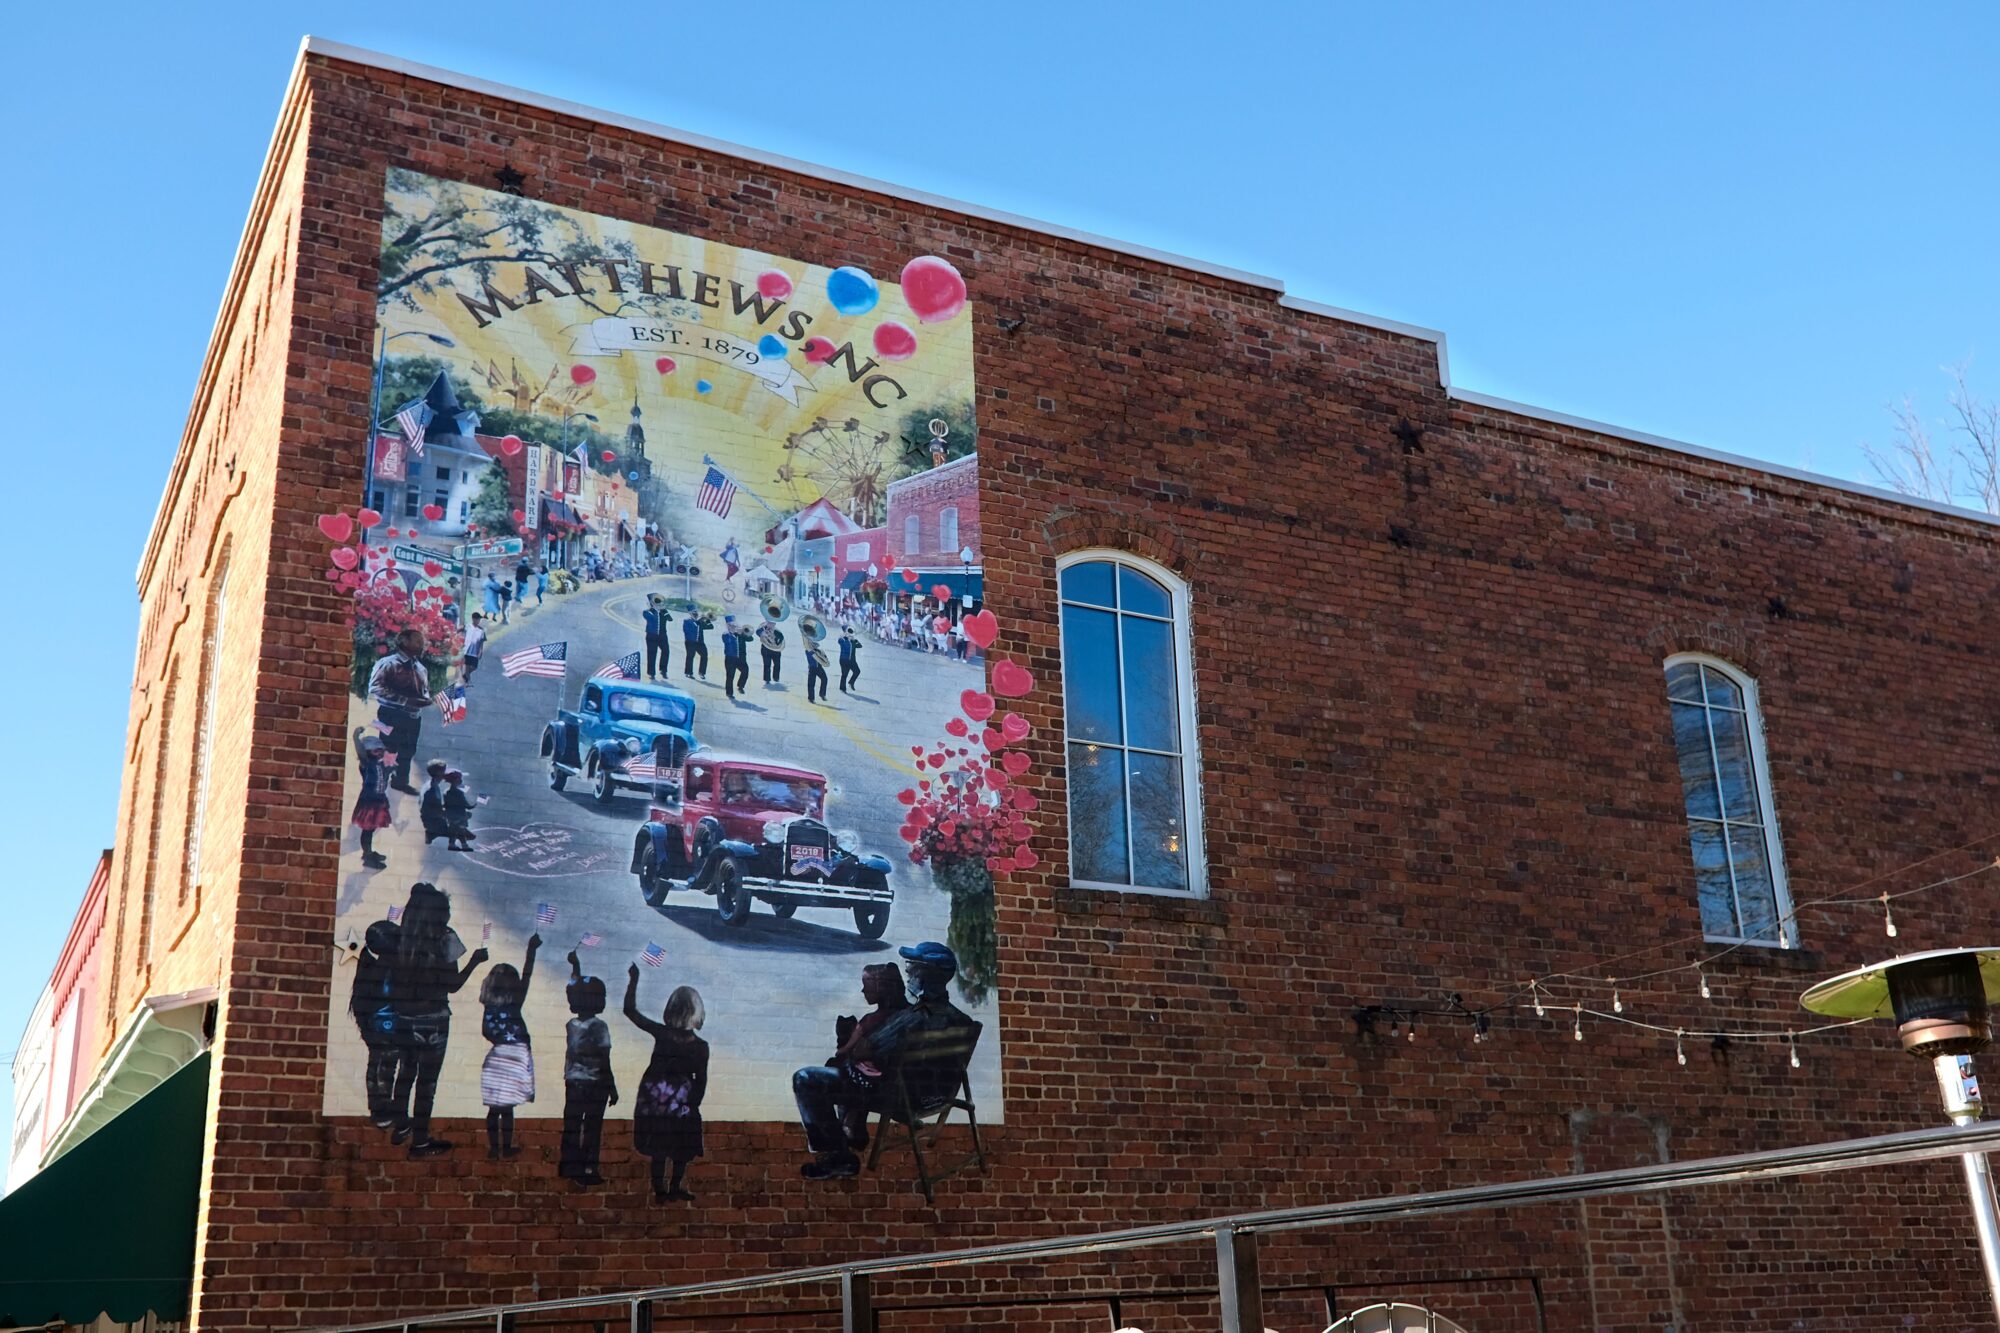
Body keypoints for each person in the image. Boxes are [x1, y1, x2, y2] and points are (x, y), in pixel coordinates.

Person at [793, 941, 974, 1180]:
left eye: (913, 969)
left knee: (807, 1079)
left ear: (929, 975)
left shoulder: (914, 1017)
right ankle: (851, 1133)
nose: (908, 973)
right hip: (935, 1098)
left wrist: (857, 1047)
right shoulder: (962, 1021)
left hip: (899, 1097)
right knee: (852, 1071)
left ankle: (839, 1157)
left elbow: (865, 1050)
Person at [386, 883, 488, 1157]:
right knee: (427, 1084)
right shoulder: (446, 938)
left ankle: (400, 1125)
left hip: (404, 1018)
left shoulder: (399, 938)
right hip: (434, 1020)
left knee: (405, 1073)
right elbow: (452, 984)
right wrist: (475, 961)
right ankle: (420, 1141)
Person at [624, 968, 709, 1203]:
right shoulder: (700, 1046)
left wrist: (634, 980)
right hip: (683, 1101)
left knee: (659, 1149)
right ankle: (674, 1188)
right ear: (697, 1013)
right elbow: (701, 1079)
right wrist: (693, 1104)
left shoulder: (662, 1034)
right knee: (681, 1148)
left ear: (671, 1009)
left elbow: (630, 1011)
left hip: (656, 1099)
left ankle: (661, 1192)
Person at [828, 962, 909, 1148]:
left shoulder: (870, 1022)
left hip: (884, 1086)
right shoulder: (909, 1014)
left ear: (882, 988)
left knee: (837, 1064)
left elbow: (846, 1051)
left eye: (867, 986)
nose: (862, 991)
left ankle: (849, 1124)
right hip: (903, 1083)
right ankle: (853, 1122)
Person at [479, 933, 541, 1159]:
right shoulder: (515, 1002)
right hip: (516, 1055)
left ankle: (495, 1149)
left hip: (497, 1056)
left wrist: (499, 1041)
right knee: (508, 1107)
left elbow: (485, 1031)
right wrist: (532, 950)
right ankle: (505, 1148)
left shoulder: (489, 1006)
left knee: (494, 1107)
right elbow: (527, 974)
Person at [560, 951, 618, 1185]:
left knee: (572, 1126)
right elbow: (605, 1059)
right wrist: (612, 1086)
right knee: (593, 1128)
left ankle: (568, 1166)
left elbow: (575, 988)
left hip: (573, 1082)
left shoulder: (571, 1025)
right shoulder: (599, 1027)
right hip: (595, 1084)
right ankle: (588, 1169)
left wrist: (576, 965)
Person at [349, 918, 402, 1126]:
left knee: (378, 1063)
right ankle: (383, 1108)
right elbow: (390, 994)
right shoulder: (386, 968)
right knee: (385, 1065)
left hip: (376, 1024)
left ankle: (379, 1107)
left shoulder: (371, 965)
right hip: (386, 1024)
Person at [367, 628, 433, 792]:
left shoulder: (420, 668)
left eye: (422, 641)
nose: (422, 644)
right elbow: (375, 688)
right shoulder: (388, 663)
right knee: (388, 749)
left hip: (413, 717)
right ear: (404, 642)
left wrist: (425, 700)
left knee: (408, 750)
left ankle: (400, 781)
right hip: (391, 715)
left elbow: (424, 691)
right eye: (418, 641)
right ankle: (379, 783)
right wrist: (405, 701)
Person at [350, 729, 394, 869]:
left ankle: (368, 852)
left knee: (371, 829)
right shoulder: (366, 764)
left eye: (381, 750)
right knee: (367, 830)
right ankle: (367, 855)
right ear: (368, 752)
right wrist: (356, 737)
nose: (380, 753)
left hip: (379, 800)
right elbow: (361, 753)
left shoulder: (378, 764)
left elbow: (384, 777)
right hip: (369, 803)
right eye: (376, 751)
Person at [442, 768, 477, 851]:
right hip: (460, 815)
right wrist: (473, 805)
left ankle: (455, 844)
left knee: (455, 831)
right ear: (456, 780)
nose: (461, 780)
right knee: (460, 830)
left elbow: (446, 804)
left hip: (451, 815)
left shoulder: (446, 791)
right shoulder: (459, 793)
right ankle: (461, 845)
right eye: (460, 778)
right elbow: (465, 804)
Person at [419, 759, 451, 846]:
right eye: (444, 771)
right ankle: (431, 834)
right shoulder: (431, 790)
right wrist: (445, 813)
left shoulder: (431, 784)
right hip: (433, 820)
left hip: (433, 816)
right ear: (439, 773)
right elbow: (426, 810)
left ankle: (431, 834)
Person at [643, 596, 672, 680]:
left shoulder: (663, 612)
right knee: (652, 654)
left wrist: (664, 611)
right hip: (651, 636)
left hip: (662, 635)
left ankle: (663, 670)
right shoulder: (647, 612)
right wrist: (654, 609)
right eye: (656, 602)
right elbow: (650, 618)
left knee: (666, 651)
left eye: (659, 602)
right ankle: (651, 673)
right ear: (652, 603)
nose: (658, 604)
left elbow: (670, 619)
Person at [720, 616, 750, 700]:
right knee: (730, 676)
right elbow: (728, 641)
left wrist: (743, 633)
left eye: (734, 625)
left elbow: (750, 638)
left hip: (740, 658)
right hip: (730, 659)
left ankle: (740, 686)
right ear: (727, 625)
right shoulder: (726, 634)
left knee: (745, 671)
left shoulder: (740, 634)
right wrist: (734, 633)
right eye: (730, 625)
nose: (733, 627)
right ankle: (729, 693)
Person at [682, 610, 710, 680]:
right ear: (690, 614)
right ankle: (688, 672)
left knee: (704, 655)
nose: (695, 615)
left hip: (700, 643)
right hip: (690, 642)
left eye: (696, 613)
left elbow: (710, 627)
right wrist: (697, 622)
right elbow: (686, 631)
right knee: (690, 656)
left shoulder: (700, 622)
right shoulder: (687, 621)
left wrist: (707, 620)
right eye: (694, 613)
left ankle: (702, 672)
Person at [804, 631, 830, 705]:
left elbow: (825, 659)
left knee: (825, 679)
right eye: (813, 644)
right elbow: (811, 655)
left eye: (814, 644)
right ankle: (811, 698)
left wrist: (824, 657)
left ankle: (822, 694)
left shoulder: (819, 651)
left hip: (819, 667)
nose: (814, 645)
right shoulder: (808, 651)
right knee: (811, 684)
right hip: (812, 668)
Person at [460, 613, 487, 685]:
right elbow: (460, 631)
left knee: (474, 667)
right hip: (466, 650)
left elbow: (481, 642)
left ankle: (465, 676)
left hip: (475, 651)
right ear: (473, 619)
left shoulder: (481, 630)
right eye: (477, 619)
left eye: (479, 619)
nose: (478, 621)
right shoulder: (468, 626)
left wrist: (480, 651)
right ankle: (468, 681)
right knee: (467, 665)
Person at [757, 619, 785, 686]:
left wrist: (776, 641)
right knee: (767, 664)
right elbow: (757, 632)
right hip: (765, 649)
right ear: (767, 622)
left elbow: (781, 639)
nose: (771, 625)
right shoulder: (762, 629)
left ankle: (776, 678)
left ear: (774, 624)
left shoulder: (777, 631)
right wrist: (763, 633)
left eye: (772, 623)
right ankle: (767, 679)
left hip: (776, 650)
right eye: (769, 623)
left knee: (777, 664)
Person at [837, 625, 861, 694]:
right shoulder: (843, 639)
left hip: (851, 661)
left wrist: (855, 640)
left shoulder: (853, 641)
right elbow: (839, 641)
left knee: (857, 671)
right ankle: (842, 688)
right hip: (844, 660)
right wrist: (845, 636)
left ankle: (851, 682)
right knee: (844, 674)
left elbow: (860, 646)